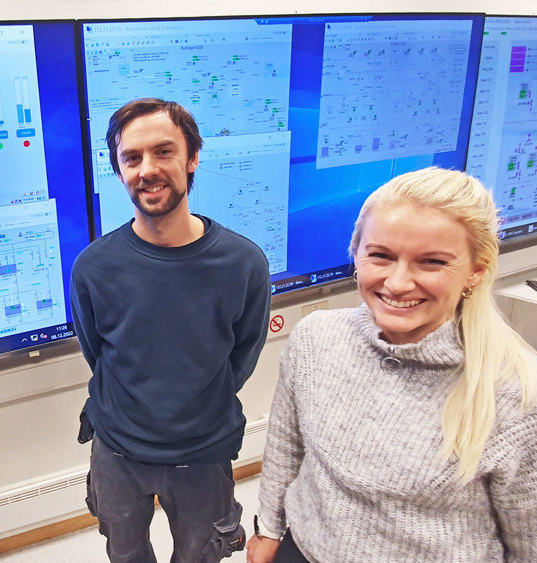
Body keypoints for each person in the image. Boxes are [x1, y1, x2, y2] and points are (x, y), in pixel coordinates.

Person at [247, 167, 537, 563]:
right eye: (381, 256)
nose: (398, 283)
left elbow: (528, 539)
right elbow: (285, 444)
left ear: (476, 270)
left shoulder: (515, 394)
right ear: (356, 254)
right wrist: (269, 528)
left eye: (431, 262)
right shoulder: (315, 339)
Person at [70, 98, 271, 562]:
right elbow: (96, 351)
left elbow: (242, 356)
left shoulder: (243, 264)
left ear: (192, 157)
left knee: (201, 556)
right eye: (132, 158)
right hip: (117, 450)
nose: (147, 170)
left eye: (163, 152)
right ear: (119, 171)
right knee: (125, 554)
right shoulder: (94, 267)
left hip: (203, 450)